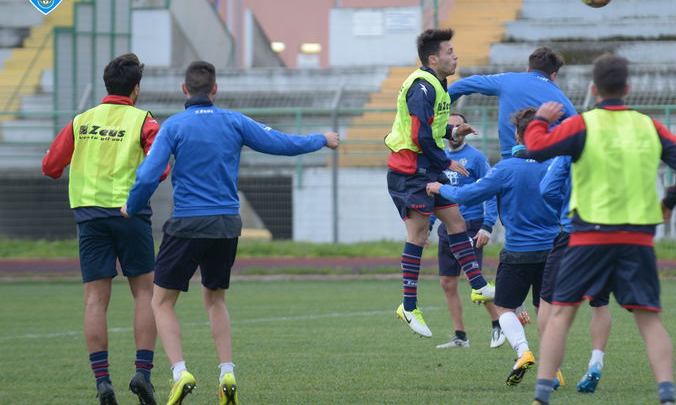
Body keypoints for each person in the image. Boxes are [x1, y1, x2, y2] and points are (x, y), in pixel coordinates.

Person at [121, 61, 339, 405]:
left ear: (184, 90)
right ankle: (227, 372)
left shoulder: (174, 126)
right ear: (215, 90)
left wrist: (132, 206)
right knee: (215, 298)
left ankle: (181, 372)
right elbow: (281, 143)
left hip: (188, 224)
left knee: (160, 301)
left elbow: (149, 175)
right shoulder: (234, 121)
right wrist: (321, 140)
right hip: (226, 224)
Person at [523, 54, 676, 405]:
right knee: (649, 320)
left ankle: (541, 397)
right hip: (637, 237)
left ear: (594, 89)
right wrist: (669, 202)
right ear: (628, 88)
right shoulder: (648, 125)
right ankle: (667, 396)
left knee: (561, 313)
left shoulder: (585, 124)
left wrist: (541, 120)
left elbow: (537, 148)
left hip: (590, 234)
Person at [42, 53, 164, 405]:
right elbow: (160, 168)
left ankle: (102, 381)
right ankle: (142, 373)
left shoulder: (82, 121)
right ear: (136, 89)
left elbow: (50, 166)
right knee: (145, 293)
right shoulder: (143, 120)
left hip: (90, 216)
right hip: (131, 214)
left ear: (106, 85)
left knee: (95, 300)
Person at [426, 108, 559, 387]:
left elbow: (466, 193)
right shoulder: (555, 164)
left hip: (519, 251)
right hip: (553, 249)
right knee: (547, 309)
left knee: (504, 307)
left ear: (517, 134)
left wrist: (440, 189)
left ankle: (523, 352)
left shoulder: (506, 168)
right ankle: (552, 369)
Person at [385, 28, 495, 338]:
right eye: (450, 52)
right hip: (410, 171)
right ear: (433, 58)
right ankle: (408, 306)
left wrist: (453, 134)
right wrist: (446, 160)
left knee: (456, 221)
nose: (455, 56)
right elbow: (419, 134)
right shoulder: (422, 86)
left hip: (424, 168)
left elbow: (430, 130)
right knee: (419, 234)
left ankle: (478, 284)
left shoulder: (438, 84)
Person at [539, 154, 612, 393]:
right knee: (599, 302)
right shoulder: (617, 148)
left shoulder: (569, 150)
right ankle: (596, 361)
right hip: (605, 235)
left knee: (549, 301)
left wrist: (565, 207)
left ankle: (551, 372)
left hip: (573, 233)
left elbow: (547, 189)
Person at [432, 113, 502, 349]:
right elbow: (433, 194)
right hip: (446, 225)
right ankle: (460, 336)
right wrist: (428, 226)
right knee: (446, 282)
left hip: (471, 225)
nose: (453, 130)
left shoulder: (477, 158)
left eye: (457, 125)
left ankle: (498, 324)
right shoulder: (438, 158)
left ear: (464, 129)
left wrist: (487, 226)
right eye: (449, 126)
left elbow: (491, 191)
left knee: (476, 282)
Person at [448, 46, 577, 159]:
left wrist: (439, 103)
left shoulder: (508, 80)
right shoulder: (559, 97)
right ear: (553, 75)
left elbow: (464, 84)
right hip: (545, 161)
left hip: (511, 160)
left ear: (528, 69)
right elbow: (577, 129)